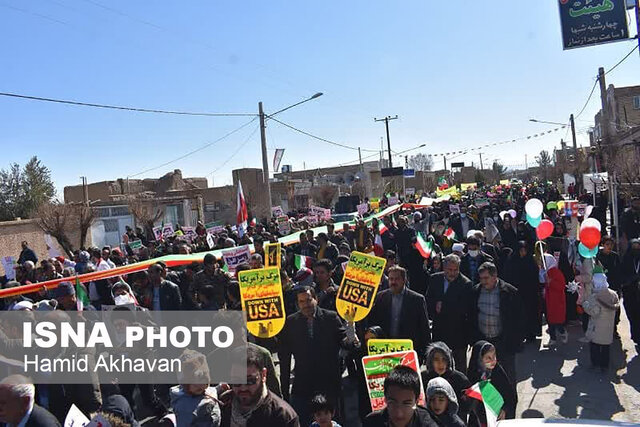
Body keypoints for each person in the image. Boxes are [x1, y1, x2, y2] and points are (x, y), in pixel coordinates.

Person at [278, 286, 358, 425]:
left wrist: (351, 328)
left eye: (309, 300)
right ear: (298, 304)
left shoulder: (330, 317)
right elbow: (284, 359)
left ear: (316, 299)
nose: (306, 305)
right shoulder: (291, 322)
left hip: (329, 384)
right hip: (303, 386)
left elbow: (347, 344)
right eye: (301, 301)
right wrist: (284, 391)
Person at [468, 262, 522, 383]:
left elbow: (519, 319)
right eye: (481, 278)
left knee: (507, 377)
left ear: (495, 276)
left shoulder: (509, 292)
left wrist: (515, 340)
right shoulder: (475, 292)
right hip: (484, 342)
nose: (483, 281)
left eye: (486, 278)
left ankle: (509, 401)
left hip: (503, 342)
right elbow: (471, 316)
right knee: (485, 377)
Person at [220, 346, 299, 427]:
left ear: (263, 375)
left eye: (250, 381)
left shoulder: (283, 417)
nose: (243, 388)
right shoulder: (222, 405)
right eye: (236, 381)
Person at [368, 266, 431, 363]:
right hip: (385, 349)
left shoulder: (417, 299)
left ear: (404, 280)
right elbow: (373, 321)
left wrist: (425, 353)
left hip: (408, 350)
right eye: (391, 279)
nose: (393, 282)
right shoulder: (381, 297)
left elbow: (424, 328)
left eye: (396, 279)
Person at [426, 254, 472, 370]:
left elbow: (465, 308)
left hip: (458, 334)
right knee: (438, 365)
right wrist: (435, 306)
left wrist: (444, 306)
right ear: (444, 268)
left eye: (455, 270)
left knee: (460, 367)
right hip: (439, 331)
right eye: (450, 270)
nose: (452, 273)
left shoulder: (465, 284)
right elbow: (427, 301)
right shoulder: (435, 279)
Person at [363, 365, 438, 427]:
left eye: (406, 404)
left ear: (417, 401)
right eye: (393, 403)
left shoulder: (428, 424)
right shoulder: (371, 423)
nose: (399, 413)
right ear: (385, 399)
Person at [466, 341, 517, 424]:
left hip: (498, 417)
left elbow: (511, 396)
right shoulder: (473, 374)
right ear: (479, 359)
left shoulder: (497, 372)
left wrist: (505, 410)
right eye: (488, 358)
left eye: (494, 356)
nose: (493, 361)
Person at [582, 267, 620, 372]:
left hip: (596, 327)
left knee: (594, 345)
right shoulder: (613, 294)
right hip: (608, 327)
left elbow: (594, 312)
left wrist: (585, 305)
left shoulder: (595, 297)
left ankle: (595, 363)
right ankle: (604, 366)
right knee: (605, 347)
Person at [420, 342, 471, 421]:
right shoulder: (423, 378)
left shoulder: (459, 379)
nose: (440, 363)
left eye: (444, 359)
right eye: (436, 359)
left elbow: (468, 406)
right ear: (430, 361)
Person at [170, 350, 221, 427]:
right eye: (194, 383)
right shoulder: (184, 406)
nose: (200, 386)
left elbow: (210, 391)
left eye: (203, 381)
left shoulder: (205, 390)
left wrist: (219, 388)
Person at [504, 241, 541, 342]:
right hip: (516, 293)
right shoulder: (512, 261)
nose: (523, 253)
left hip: (529, 293)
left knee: (529, 314)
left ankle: (530, 334)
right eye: (521, 251)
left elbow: (535, 277)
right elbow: (508, 276)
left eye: (525, 250)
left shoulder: (530, 261)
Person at [540, 253, 567, 346]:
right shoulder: (546, 272)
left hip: (556, 300)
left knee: (557, 321)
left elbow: (561, 286)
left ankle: (562, 332)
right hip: (549, 299)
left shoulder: (556, 272)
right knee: (550, 320)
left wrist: (551, 282)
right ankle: (553, 338)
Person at [621, 238, 640, 346]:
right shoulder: (626, 260)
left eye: (638, 248)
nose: (636, 250)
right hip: (630, 294)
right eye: (634, 248)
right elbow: (622, 276)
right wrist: (631, 279)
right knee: (633, 316)